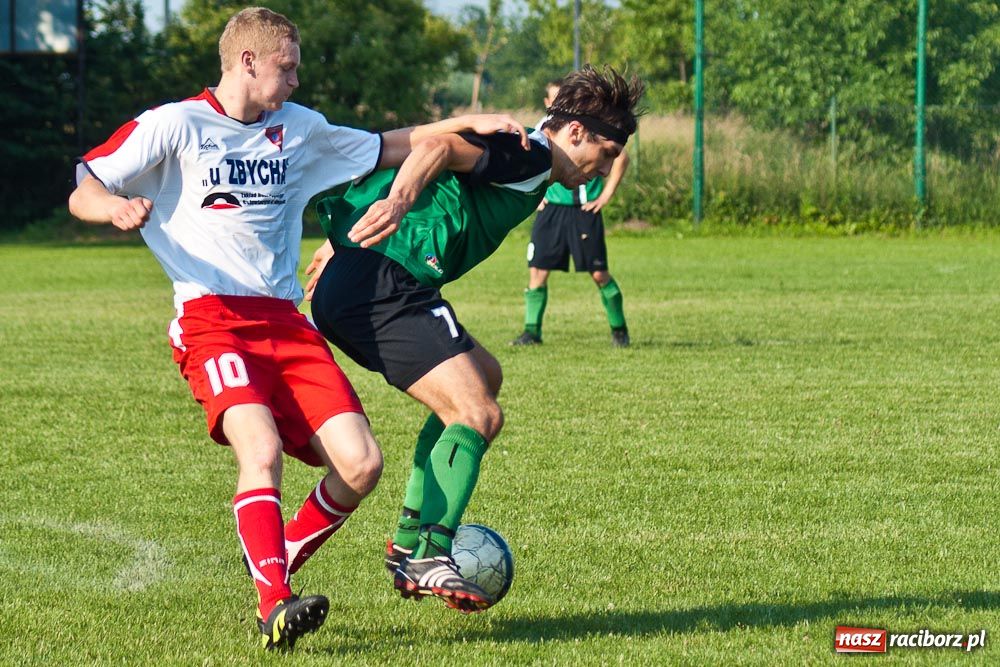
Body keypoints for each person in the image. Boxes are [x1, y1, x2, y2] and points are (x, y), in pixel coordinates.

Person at [67, 6, 528, 651]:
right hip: (211, 320)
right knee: (261, 450)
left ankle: (277, 557)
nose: (295, 82)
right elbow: (84, 181)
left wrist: (461, 124)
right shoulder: (175, 125)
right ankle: (274, 604)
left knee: (363, 465)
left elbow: (386, 144)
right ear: (247, 62)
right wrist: (112, 205)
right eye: (288, 68)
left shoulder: (299, 130)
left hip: (286, 320)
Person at [307, 65, 644, 612]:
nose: (603, 168)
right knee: (478, 414)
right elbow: (438, 146)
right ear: (576, 133)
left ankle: (409, 536)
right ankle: (427, 553)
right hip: (387, 285)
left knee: (486, 376)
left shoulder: (531, 161)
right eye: (605, 153)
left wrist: (342, 242)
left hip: (379, 277)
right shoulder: (532, 156)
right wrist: (396, 202)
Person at [511, 77, 632, 348]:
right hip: (551, 211)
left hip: (583, 211)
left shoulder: (588, 131)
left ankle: (619, 330)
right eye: (553, 98)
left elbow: (621, 156)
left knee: (599, 274)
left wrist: (606, 194)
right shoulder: (542, 130)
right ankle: (532, 332)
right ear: (547, 103)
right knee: (537, 271)